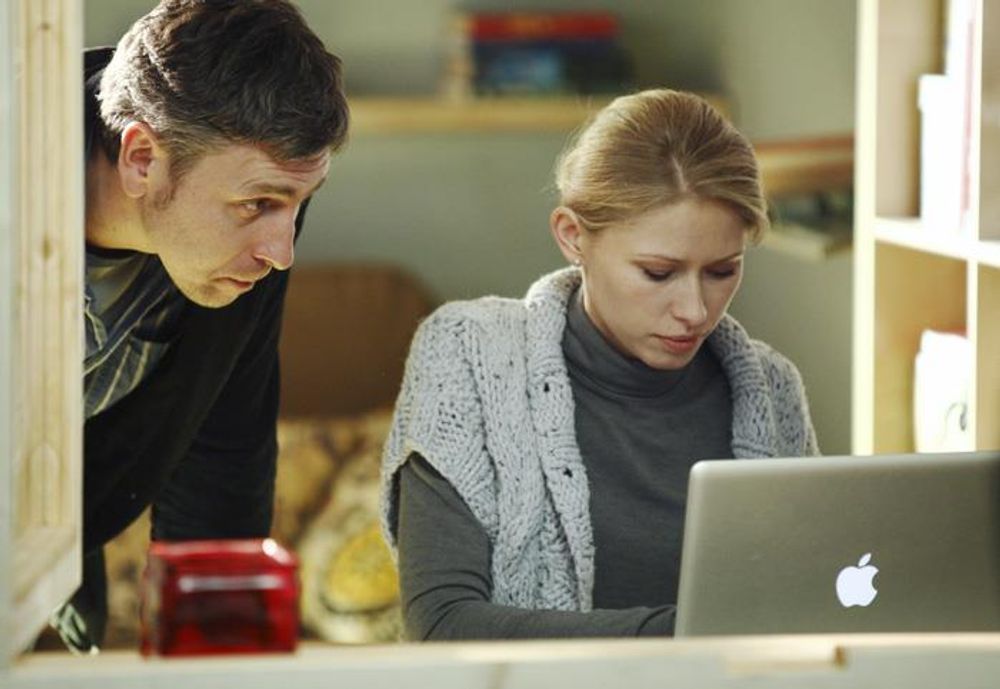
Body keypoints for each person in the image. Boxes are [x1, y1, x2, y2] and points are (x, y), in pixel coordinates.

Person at [379, 89, 818, 640]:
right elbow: (442, 625)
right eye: (658, 273)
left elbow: (810, 597)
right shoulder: (467, 355)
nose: (695, 310)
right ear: (573, 236)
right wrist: (686, 636)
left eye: (722, 271)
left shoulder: (772, 389)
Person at [51, 0, 349, 653]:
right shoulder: (20, 168)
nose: (281, 253)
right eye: (257, 203)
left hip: (57, 555)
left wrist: (214, 654)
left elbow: (224, 452)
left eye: (297, 204)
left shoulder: (248, 239)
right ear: (141, 157)